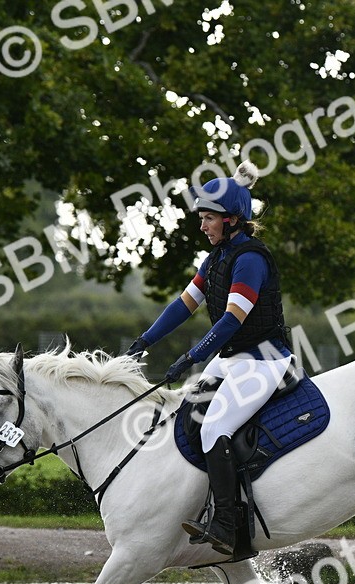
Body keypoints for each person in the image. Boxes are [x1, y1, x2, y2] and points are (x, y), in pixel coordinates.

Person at [124, 161, 293, 557]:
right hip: (234, 359)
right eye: (202, 218)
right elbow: (183, 306)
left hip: (265, 360)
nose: (202, 226)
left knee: (214, 427)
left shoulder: (250, 259)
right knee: (184, 415)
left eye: (209, 218)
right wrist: (144, 341)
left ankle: (228, 523)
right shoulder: (214, 259)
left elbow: (233, 319)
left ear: (232, 220)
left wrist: (191, 356)